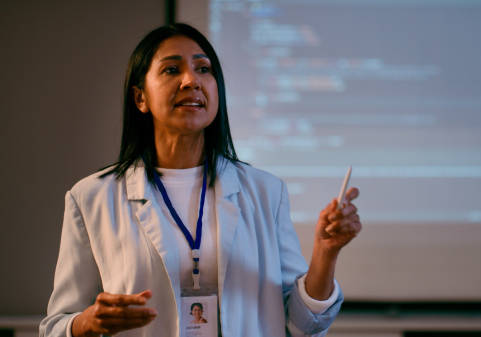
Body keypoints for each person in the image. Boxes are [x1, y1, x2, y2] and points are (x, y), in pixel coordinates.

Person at [39, 23, 361, 337]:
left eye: (204, 69)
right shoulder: (92, 198)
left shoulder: (266, 192)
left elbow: (304, 325)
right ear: (140, 98)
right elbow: (55, 327)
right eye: (171, 70)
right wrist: (86, 324)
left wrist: (325, 252)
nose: (191, 80)